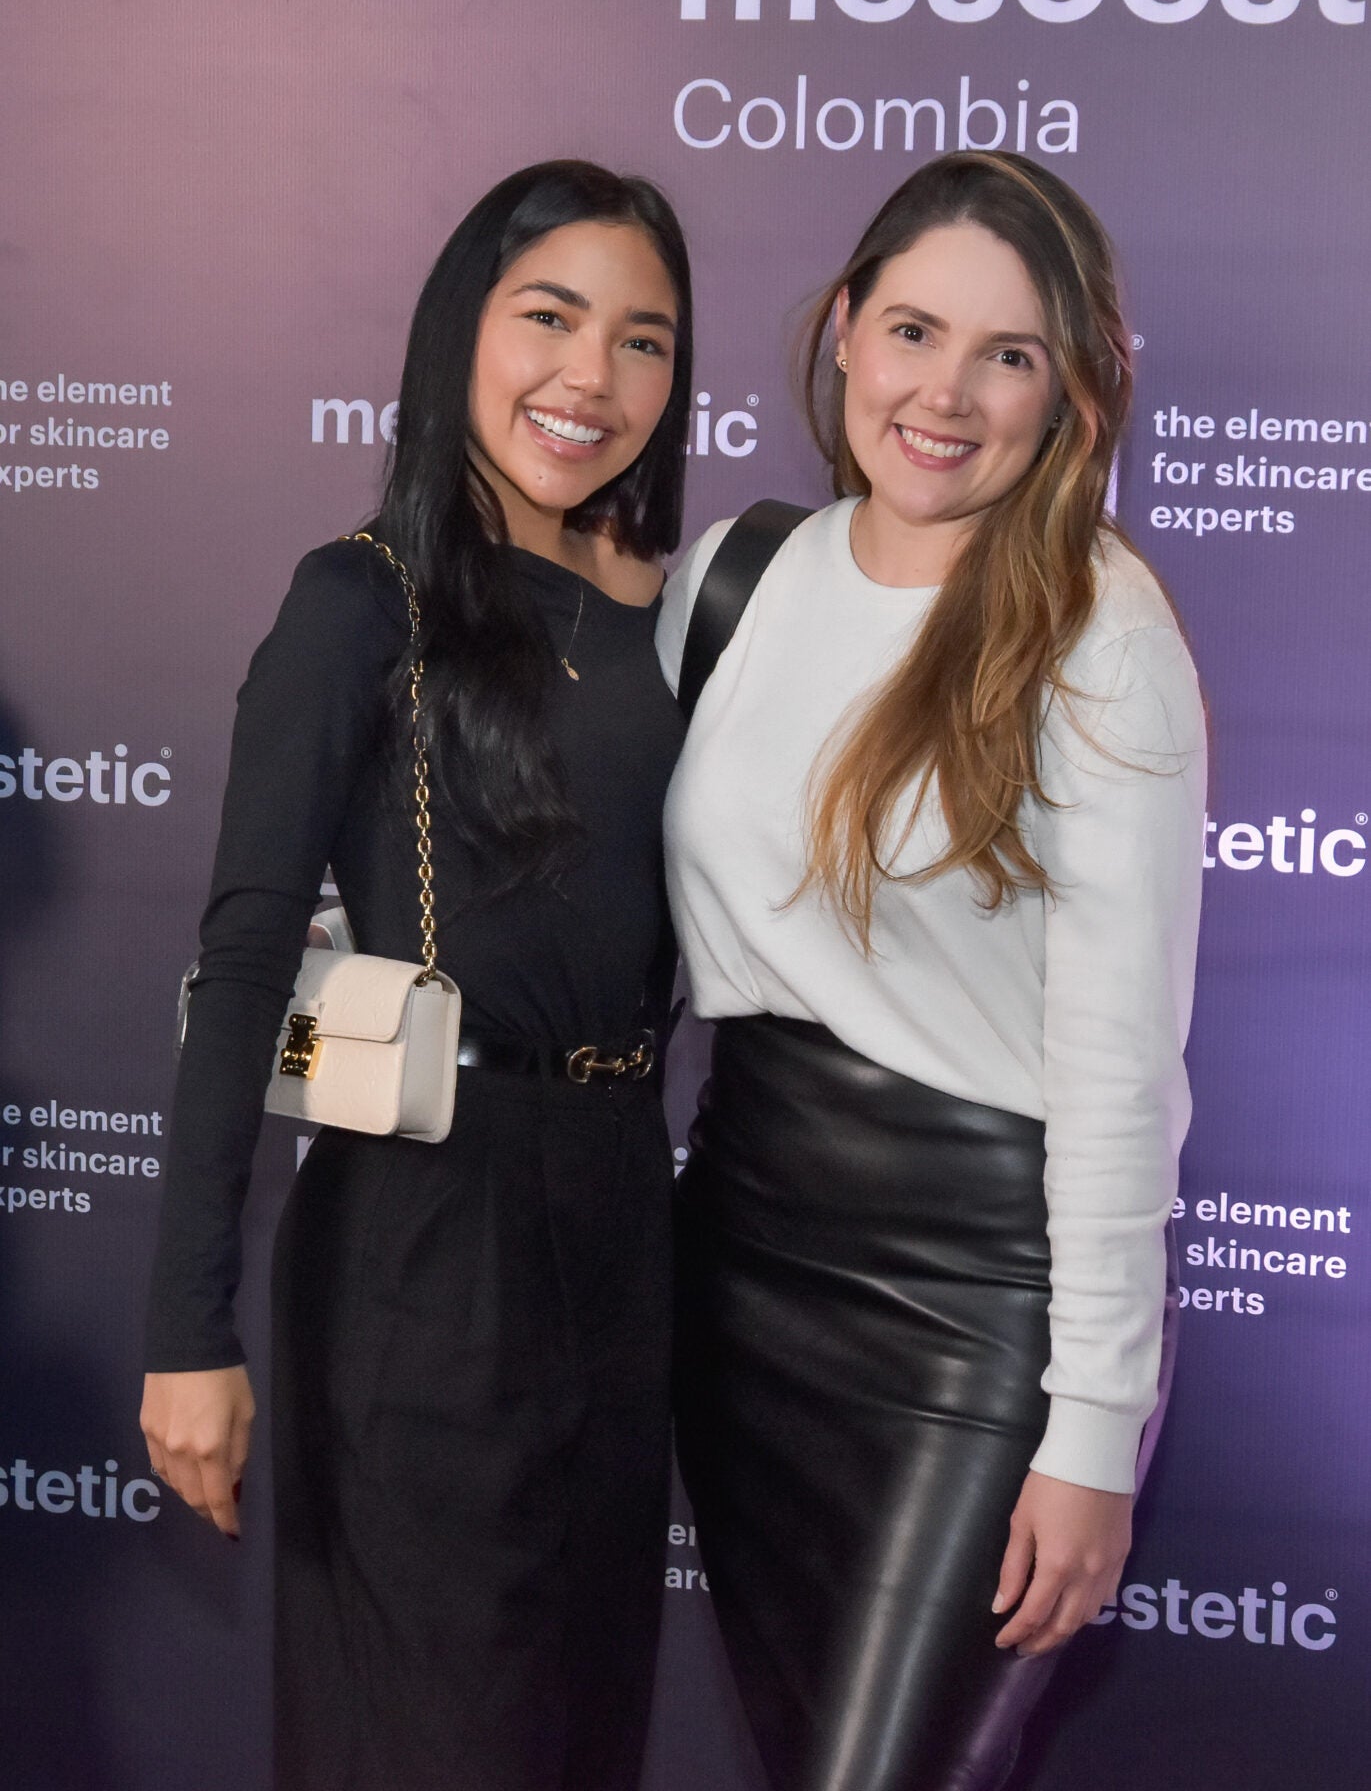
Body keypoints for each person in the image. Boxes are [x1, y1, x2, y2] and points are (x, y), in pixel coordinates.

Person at [141, 159, 693, 1791]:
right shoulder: (359, 599)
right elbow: (244, 962)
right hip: (421, 1253)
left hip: (623, 1228)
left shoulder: (679, 618)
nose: (592, 377)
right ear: (461, 325)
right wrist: (187, 1329)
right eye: (550, 317)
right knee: (440, 1741)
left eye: (645, 339)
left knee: (582, 1735)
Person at [657, 151, 1206, 1791]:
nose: (944, 393)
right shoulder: (736, 581)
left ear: (1070, 392)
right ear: (842, 333)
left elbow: (1118, 1070)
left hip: (976, 1311)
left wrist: (1094, 1427)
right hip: (739, 1267)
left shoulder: (1097, 629)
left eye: (1009, 354)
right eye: (911, 330)